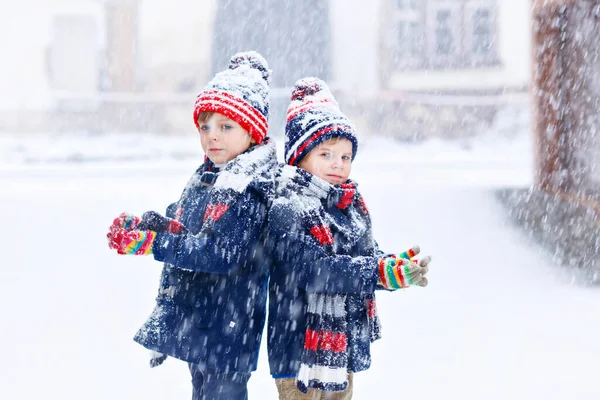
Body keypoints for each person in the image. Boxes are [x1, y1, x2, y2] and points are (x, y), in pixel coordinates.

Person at [106, 51, 277, 400]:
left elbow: (218, 253)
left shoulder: (248, 190)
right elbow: (183, 223)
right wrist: (148, 227)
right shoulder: (208, 175)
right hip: (201, 321)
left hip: (228, 328)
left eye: (226, 127)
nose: (212, 136)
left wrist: (153, 245)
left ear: (253, 132)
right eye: (205, 126)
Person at [266, 77, 431, 399]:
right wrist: (377, 273)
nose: (338, 164)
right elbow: (316, 271)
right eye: (326, 154)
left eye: (345, 156)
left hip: (341, 347)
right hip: (299, 349)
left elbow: (364, 255)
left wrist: (392, 265)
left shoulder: (349, 203)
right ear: (299, 157)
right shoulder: (287, 206)